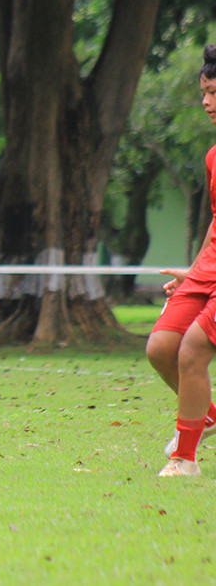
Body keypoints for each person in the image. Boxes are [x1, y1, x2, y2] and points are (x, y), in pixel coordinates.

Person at [147, 44, 216, 477]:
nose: (206, 102)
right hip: (209, 267)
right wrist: (195, 270)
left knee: (192, 350)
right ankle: (206, 413)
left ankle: (184, 459)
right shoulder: (213, 156)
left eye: (214, 92)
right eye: (204, 92)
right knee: (162, 347)